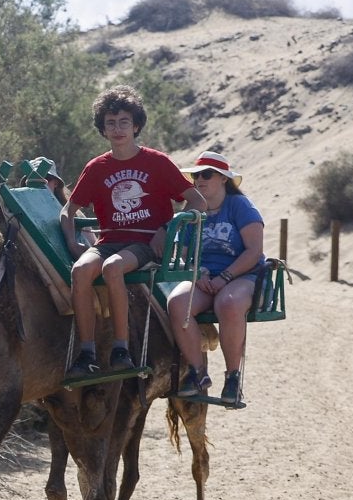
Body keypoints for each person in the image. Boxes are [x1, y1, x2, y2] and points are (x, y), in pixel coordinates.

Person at [60, 85, 205, 380]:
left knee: (113, 268)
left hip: (143, 243)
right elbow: (68, 210)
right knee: (80, 271)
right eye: (110, 123)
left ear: (136, 125)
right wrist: (72, 242)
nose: (117, 129)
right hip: (108, 240)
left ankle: (121, 349)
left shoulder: (157, 162)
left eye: (124, 122)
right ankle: (86, 352)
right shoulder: (96, 167)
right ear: (103, 128)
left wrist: (168, 229)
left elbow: (197, 201)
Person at [166, 151, 265, 407]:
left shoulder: (239, 206)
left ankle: (232, 377)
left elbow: (254, 251)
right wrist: (196, 272)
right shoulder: (191, 212)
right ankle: (197, 372)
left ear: (223, 179)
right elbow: (183, 254)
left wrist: (225, 276)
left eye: (206, 174)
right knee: (177, 304)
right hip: (203, 277)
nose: (199, 179)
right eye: (196, 175)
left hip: (241, 274)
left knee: (228, 304)